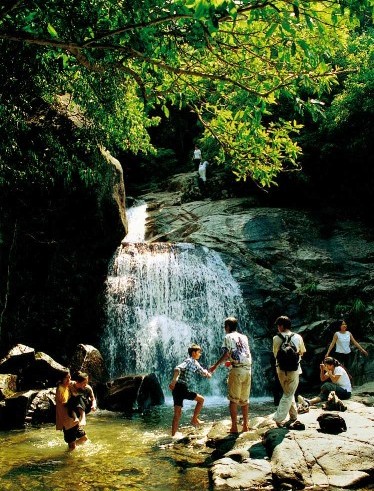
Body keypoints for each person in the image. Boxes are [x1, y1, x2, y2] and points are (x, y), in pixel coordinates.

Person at [209, 317, 251, 434]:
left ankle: (234, 427)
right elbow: (242, 352)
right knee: (244, 400)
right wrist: (231, 361)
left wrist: (215, 366)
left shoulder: (228, 337)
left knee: (233, 400)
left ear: (227, 327)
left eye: (225, 326)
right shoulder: (244, 337)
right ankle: (246, 426)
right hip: (247, 369)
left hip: (237, 371)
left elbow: (227, 353)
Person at [169, 344, 212, 436]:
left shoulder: (195, 363)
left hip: (180, 388)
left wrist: (207, 373)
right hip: (180, 387)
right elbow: (177, 368)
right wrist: (174, 380)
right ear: (193, 353)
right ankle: (194, 419)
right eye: (199, 352)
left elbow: (201, 371)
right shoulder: (189, 361)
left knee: (177, 413)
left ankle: (173, 435)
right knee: (201, 400)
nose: (200, 354)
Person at [272, 315, 306, 428]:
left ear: (281, 326)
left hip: (281, 370)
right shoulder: (298, 337)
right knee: (289, 393)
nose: (277, 327)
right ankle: (279, 418)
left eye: (278, 325)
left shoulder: (276, 338)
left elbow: (275, 354)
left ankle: (293, 415)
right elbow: (302, 352)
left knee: (288, 392)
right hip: (294, 370)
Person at [55, 369, 88, 450]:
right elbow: (65, 404)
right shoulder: (60, 389)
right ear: (61, 379)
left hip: (74, 421)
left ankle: (72, 447)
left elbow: (81, 383)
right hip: (67, 422)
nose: (69, 380)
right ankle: (68, 457)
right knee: (72, 446)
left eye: (69, 377)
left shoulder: (68, 384)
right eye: (66, 378)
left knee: (84, 439)